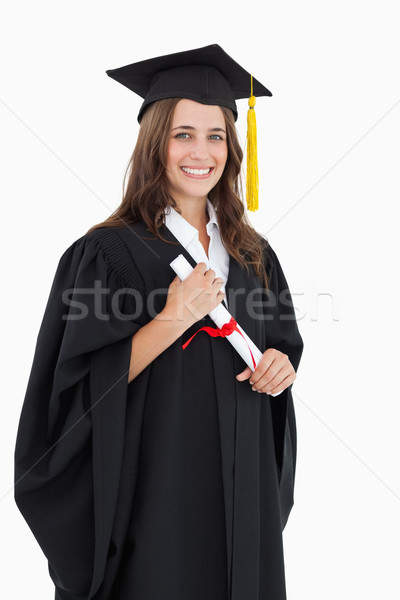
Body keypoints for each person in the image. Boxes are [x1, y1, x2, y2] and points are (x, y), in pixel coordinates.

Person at [14, 44, 304, 600]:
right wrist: (173, 318)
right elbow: (73, 390)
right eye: (183, 134)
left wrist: (279, 367)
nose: (202, 152)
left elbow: (283, 347)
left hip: (245, 497)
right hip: (154, 496)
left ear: (233, 147)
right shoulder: (105, 253)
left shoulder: (253, 255)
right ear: (155, 144)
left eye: (215, 135)